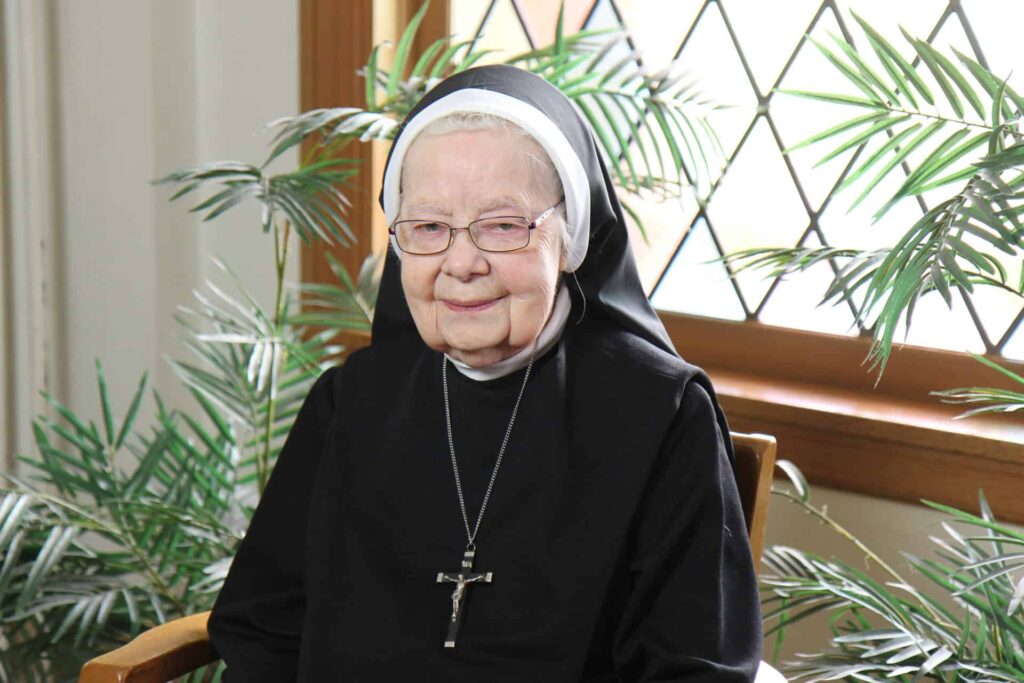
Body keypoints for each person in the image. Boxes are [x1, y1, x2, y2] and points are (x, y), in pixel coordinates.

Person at [208, 64, 762, 681]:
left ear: (570, 236)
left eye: (503, 225)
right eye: (428, 227)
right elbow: (263, 629)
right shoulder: (352, 401)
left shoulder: (662, 413)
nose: (462, 263)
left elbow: (695, 668)